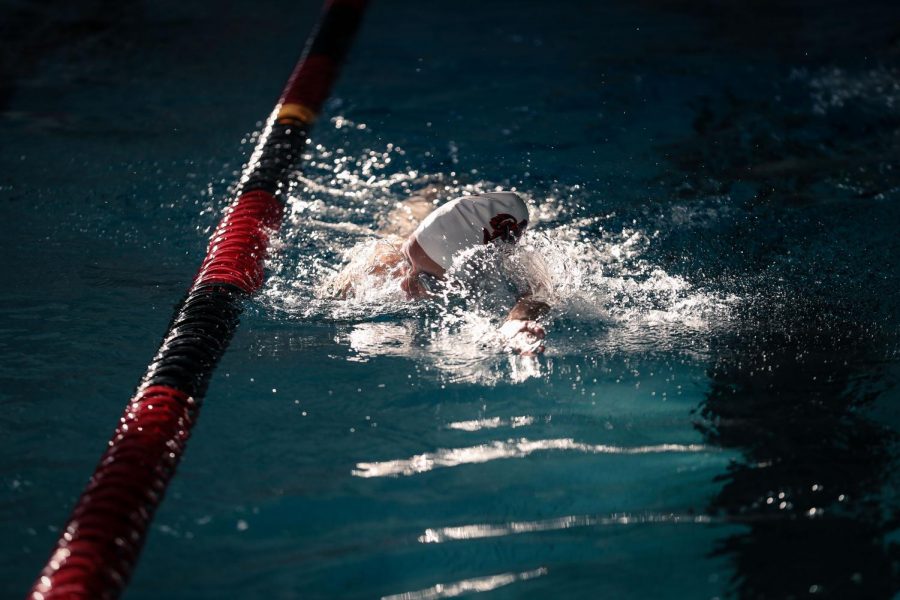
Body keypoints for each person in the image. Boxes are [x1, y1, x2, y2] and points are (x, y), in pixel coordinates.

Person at [326, 189, 550, 354]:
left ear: (465, 280)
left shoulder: (513, 267)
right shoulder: (379, 263)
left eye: (428, 279)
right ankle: (428, 194)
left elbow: (541, 292)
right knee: (398, 230)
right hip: (403, 237)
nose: (406, 283)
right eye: (407, 262)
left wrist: (516, 320)